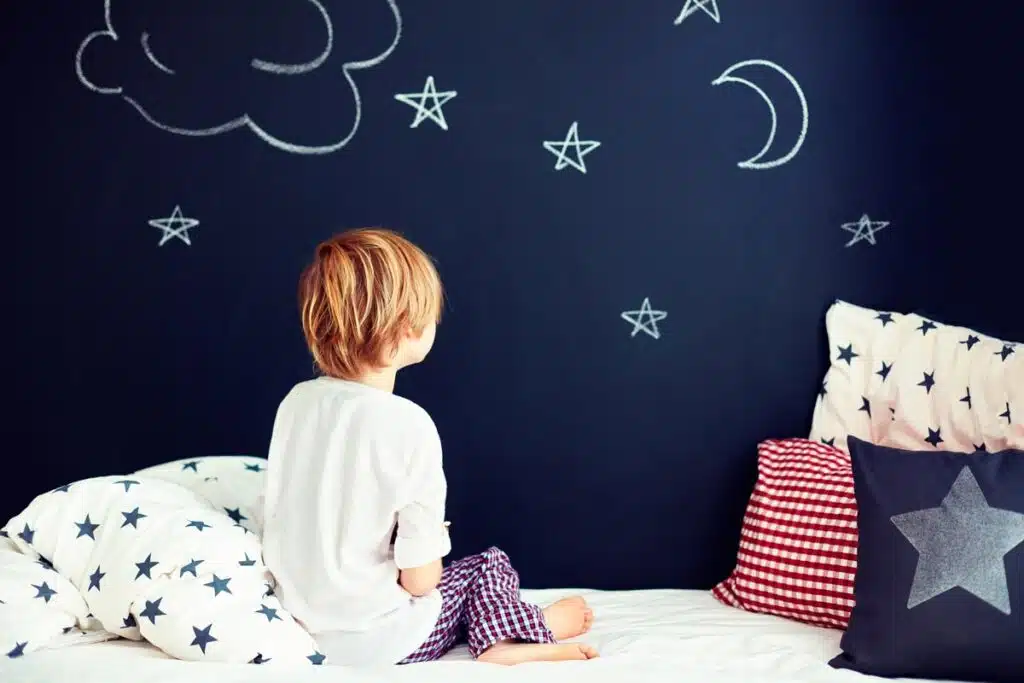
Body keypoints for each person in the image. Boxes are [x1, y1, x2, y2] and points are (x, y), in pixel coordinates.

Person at [261, 228, 599, 666]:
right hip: (383, 641)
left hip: (302, 631)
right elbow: (421, 582)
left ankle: (503, 630)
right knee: (486, 567)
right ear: (407, 328)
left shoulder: (296, 405)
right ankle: (519, 634)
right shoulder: (408, 424)